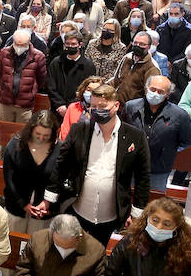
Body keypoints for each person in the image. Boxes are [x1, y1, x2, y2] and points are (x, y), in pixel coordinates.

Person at [42, 83, 150, 245]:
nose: (98, 110)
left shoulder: (135, 136)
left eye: (103, 106)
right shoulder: (80, 130)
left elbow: (143, 178)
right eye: (94, 106)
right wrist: (48, 199)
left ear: (116, 105)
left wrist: (136, 214)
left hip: (110, 215)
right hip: (78, 209)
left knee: (98, 253)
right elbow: (61, 165)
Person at [121, 75, 191, 192]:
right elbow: (122, 132)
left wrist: (167, 151)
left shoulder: (180, 115)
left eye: (160, 92)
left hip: (159, 171)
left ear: (167, 94)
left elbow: (187, 141)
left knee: (154, 201)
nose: (155, 94)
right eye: (153, 89)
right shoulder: (131, 107)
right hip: (131, 166)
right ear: (146, 89)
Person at [2, 110, 61, 237]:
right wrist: (23, 204)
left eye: (46, 135)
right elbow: (9, 178)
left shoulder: (59, 149)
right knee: (13, 242)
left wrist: (47, 202)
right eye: (37, 134)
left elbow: (59, 180)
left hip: (43, 211)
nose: (41, 138)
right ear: (31, 129)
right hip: (16, 207)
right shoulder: (16, 144)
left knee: (37, 244)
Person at [0, 29, 46, 123]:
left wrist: (31, 92)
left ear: (29, 42)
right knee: (4, 129)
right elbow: (0, 73)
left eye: (22, 45)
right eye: (17, 44)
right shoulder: (4, 53)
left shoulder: (38, 56)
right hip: (6, 101)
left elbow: (41, 79)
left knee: (22, 131)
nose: (19, 47)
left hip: (25, 104)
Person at [47, 27, 96, 116]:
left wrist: (69, 107)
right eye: (67, 44)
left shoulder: (88, 65)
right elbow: (51, 86)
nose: (70, 46)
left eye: (73, 44)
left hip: (78, 109)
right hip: (57, 109)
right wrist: (60, 105)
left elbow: (86, 90)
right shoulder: (56, 62)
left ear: (80, 45)